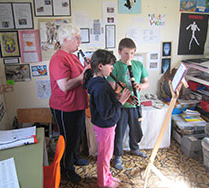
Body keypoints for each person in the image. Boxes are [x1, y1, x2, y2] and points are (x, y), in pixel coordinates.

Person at [83, 49, 132, 188]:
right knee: (105, 157)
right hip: (105, 126)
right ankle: (103, 182)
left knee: (107, 155)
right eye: (110, 65)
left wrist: (116, 93)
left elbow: (105, 103)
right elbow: (106, 112)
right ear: (100, 66)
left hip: (106, 126)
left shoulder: (99, 81)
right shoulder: (100, 87)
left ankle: (107, 177)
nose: (112, 67)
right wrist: (121, 101)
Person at [49, 23, 90, 183]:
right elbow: (64, 86)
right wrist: (83, 75)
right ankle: (66, 169)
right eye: (77, 38)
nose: (80, 41)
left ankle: (73, 158)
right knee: (67, 138)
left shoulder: (72, 55)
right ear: (65, 40)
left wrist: (87, 68)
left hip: (77, 105)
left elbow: (80, 76)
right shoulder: (58, 58)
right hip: (65, 107)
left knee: (76, 136)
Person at [108, 38, 150, 170]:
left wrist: (140, 86)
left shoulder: (138, 65)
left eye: (132, 53)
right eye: (126, 53)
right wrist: (120, 89)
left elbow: (146, 82)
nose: (129, 56)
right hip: (121, 105)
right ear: (119, 52)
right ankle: (118, 156)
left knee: (135, 129)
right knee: (119, 132)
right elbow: (112, 89)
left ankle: (134, 148)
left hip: (135, 104)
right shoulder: (115, 67)